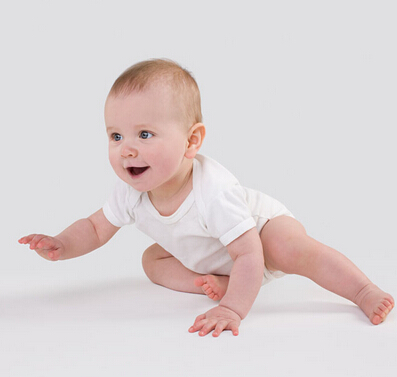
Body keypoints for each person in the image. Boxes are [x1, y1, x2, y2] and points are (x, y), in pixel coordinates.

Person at [18, 59, 394, 337]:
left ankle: (361, 289)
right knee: (151, 260)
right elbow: (96, 228)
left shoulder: (213, 191)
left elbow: (249, 253)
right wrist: (62, 243)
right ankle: (222, 280)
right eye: (116, 136)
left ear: (191, 142)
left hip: (258, 234)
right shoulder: (132, 191)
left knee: (289, 249)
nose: (126, 150)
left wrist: (232, 308)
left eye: (144, 135)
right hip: (219, 255)